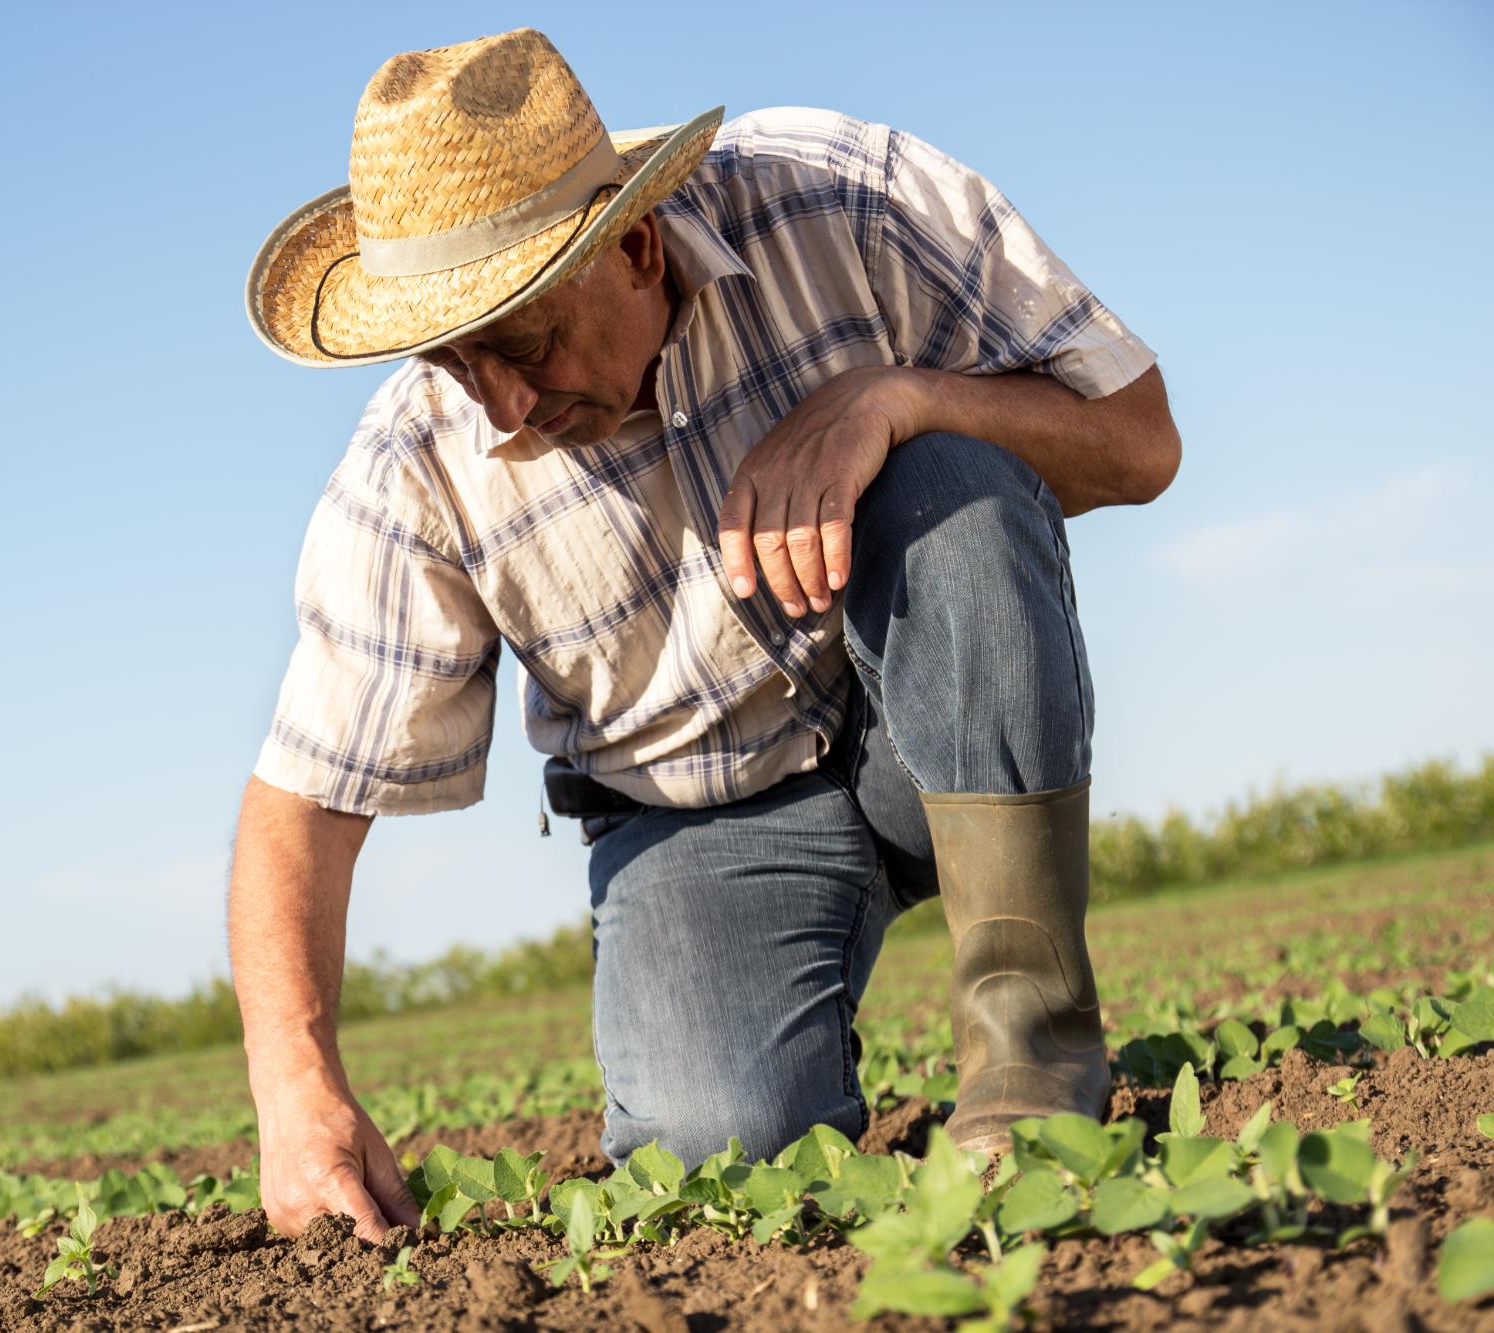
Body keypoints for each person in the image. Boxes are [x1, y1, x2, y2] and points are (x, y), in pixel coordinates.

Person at [230, 27, 1181, 1243]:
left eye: (523, 344)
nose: (505, 403)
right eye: (458, 360)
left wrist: (891, 399)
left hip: (924, 722)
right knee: (713, 1155)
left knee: (950, 479)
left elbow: (1139, 443)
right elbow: (299, 801)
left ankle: (1031, 1063)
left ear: (631, 243)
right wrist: (292, 1080)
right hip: (700, 815)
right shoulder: (415, 466)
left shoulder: (845, 203)